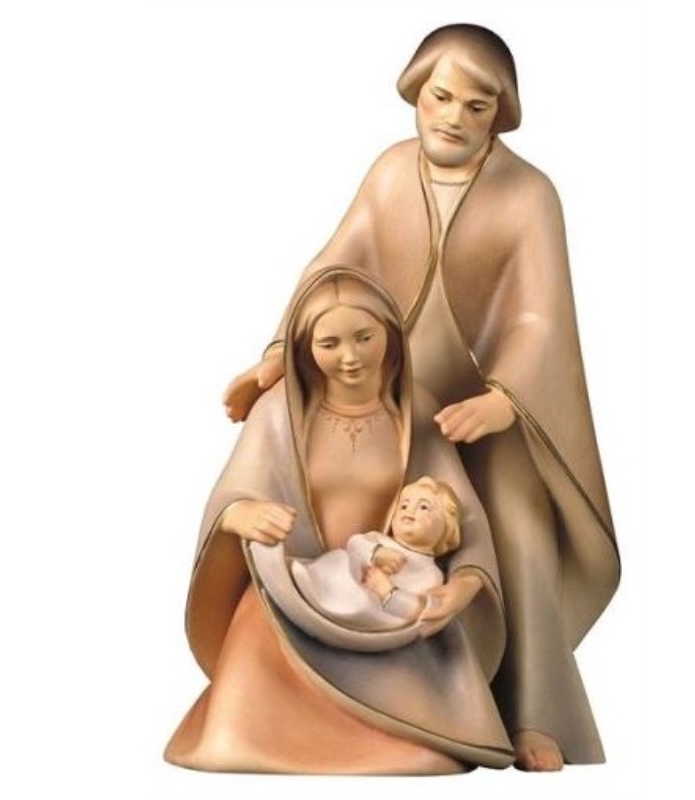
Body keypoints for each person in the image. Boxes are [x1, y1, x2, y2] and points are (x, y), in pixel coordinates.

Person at [222, 24, 621, 771]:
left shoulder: (529, 194)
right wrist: (277, 356)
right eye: (440, 97)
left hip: (483, 407)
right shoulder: (389, 172)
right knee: (353, 516)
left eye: (477, 106)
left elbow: (541, 316)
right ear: (415, 93)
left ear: (501, 113)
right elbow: (335, 264)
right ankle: (360, 697)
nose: (453, 118)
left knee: (515, 530)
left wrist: (504, 400)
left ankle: (533, 711)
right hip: (387, 387)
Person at [165, 269, 513, 774]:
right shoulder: (280, 413)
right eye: (330, 344)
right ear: (306, 348)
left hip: (387, 605)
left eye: (364, 338)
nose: (350, 357)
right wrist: (242, 513)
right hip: (294, 594)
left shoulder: (414, 412)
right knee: (241, 734)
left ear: (390, 335)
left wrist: (462, 586)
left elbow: (462, 513)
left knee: (426, 753)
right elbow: (234, 492)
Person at [291, 476, 462, 630]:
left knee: (360, 598)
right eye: (404, 505)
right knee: (342, 558)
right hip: (352, 580)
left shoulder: (431, 574)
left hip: (376, 610)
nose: (409, 511)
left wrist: (387, 591)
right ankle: (312, 581)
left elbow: (417, 609)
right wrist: (376, 553)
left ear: (446, 527)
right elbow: (354, 543)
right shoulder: (379, 539)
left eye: (423, 507)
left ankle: (324, 598)